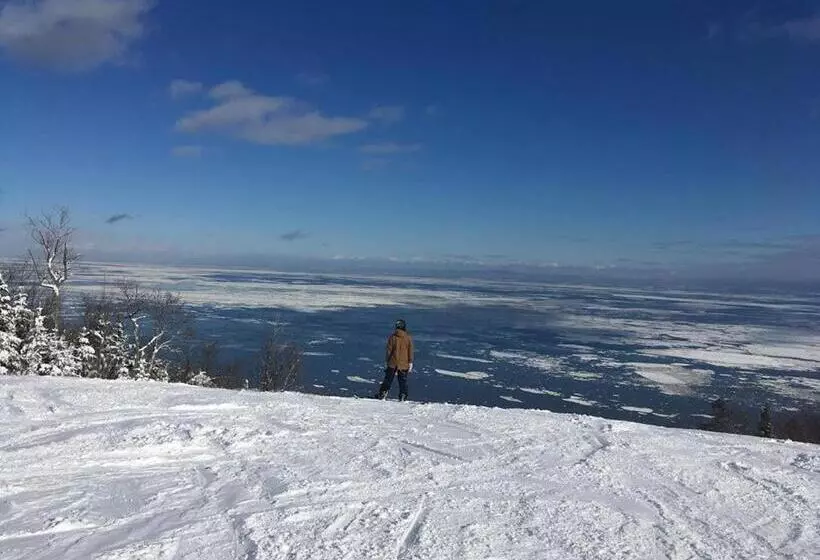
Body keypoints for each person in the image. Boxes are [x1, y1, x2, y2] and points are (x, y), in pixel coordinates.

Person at [375, 319, 414, 401]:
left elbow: (389, 351)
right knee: (403, 381)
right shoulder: (408, 337)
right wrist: (410, 362)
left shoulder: (392, 337)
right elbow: (410, 351)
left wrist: (387, 361)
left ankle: (382, 394)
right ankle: (403, 396)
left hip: (392, 362)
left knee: (388, 379)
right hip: (404, 363)